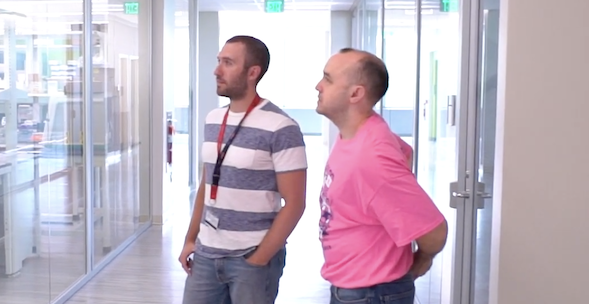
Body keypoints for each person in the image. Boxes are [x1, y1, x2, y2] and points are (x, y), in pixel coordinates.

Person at [179, 35, 308, 304]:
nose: (217, 70)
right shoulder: (213, 119)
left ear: (252, 72)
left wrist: (259, 258)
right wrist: (191, 239)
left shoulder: (282, 126)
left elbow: (295, 203)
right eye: (218, 61)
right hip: (206, 254)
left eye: (228, 63)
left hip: (250, 257)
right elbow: (207, 184)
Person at [314, 47, 448, 304]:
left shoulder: (372, 157)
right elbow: (404, 153)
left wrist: (421, 260)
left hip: (370, 293)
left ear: (356, 93)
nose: (318, 86)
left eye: (328, 79)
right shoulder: (362, 132)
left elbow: (434, 232)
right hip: (356, 288)